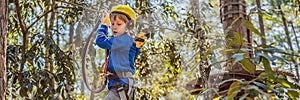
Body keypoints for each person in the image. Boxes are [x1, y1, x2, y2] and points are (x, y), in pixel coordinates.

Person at [95, 4, 144, 100]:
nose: (114, 27)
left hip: (121, 86)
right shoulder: (125, 41)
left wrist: (104, 26)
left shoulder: (123, 40)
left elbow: (100, 41)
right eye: (112, 24)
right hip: (119, 85)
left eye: (119, 24)